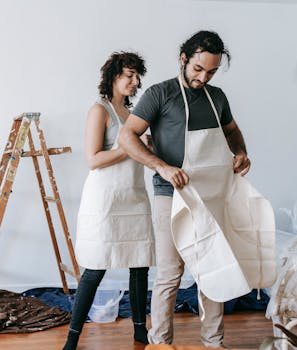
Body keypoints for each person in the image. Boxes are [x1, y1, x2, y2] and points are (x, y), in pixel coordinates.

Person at [118, 30, 252, 347]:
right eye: (198, 69)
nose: (203, 77)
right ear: (183, 59)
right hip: (171, 196)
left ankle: (214, 341)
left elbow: (233, 131)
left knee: (214, 267)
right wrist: (161, 167)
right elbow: (127, 137)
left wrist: (241, 153)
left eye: (211, 71)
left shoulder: (217, 97)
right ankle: (161, 343)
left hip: (212, 196)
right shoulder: (160, 94)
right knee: (169, 273)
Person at [63, 51, 155, 350]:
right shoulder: (99, 110)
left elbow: (141, 153)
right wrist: (132, 147)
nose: (134, 81)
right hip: (106, 199)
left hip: (134, 195)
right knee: (95, 267)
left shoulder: (134, 114)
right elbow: (93, 159)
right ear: (113, 76)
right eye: (129, 75)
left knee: (140, 266)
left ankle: (141, 333)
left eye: (137, 76)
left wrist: (147, 147)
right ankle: (72, 338)